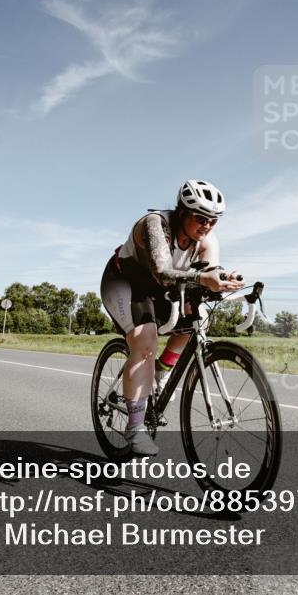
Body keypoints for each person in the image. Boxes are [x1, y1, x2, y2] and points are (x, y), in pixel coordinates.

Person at [100, 180, 243, 456]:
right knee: (145, 343)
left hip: (161, 290)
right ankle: (135, 428)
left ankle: (163, 369)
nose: (207, 226)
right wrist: (203, 277)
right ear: (181, 211)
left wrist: (224, 278)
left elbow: (207, 273)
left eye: (213, 220)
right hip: (126, 282)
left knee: (198, 315)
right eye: (201, 218)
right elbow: (163, 272)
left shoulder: (206, 240)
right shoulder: (156, 224)